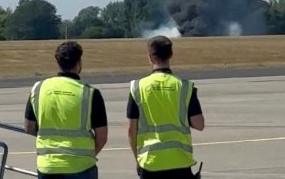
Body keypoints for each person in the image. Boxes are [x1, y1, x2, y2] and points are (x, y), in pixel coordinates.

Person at [25, 41, 108, 179]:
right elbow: (102, 136)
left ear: (58, 62)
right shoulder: (90, 93)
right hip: (81, 167)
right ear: (79, 62)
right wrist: (86, 155)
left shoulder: (39, 89)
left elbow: (29, 127)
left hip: (48, 166)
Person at [127, 36, 205, 179]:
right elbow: (199, 124)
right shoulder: (185, 87)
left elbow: (132, 130)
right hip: (180, 162)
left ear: (150, 57)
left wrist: (137, 159)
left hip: (151, 162)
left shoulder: (138, 87)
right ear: (171, 55)